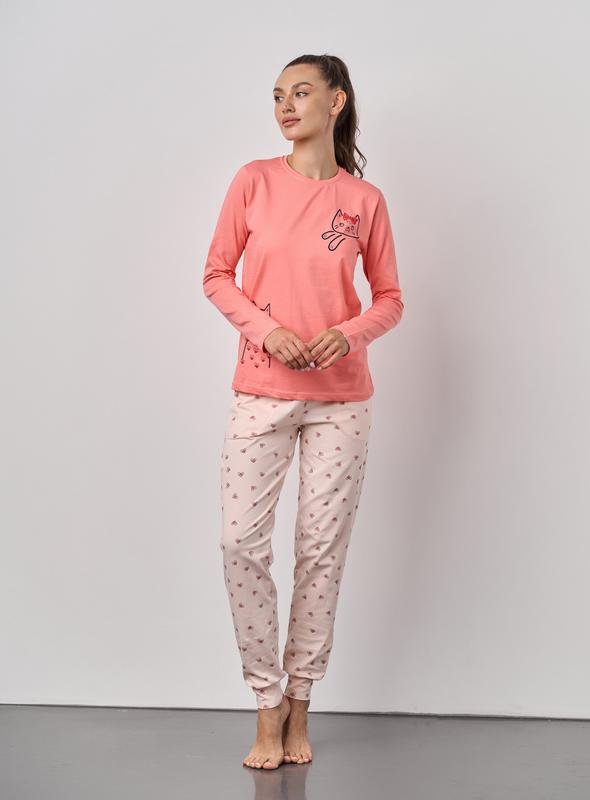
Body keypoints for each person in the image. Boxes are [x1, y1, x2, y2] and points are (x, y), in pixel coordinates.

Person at [202, 53, 404, 770]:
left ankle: (298, 704)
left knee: (321, 551)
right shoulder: (253, 181)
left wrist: (347, 334)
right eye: (278, 95)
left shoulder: (363, 200)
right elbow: (216, 275)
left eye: (301, 92)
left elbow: (390, 299)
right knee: (240, 543)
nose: (285, 106)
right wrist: (266, 330)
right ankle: (264, 700)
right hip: (261, 390)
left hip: (341, 400)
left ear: (336, 101)